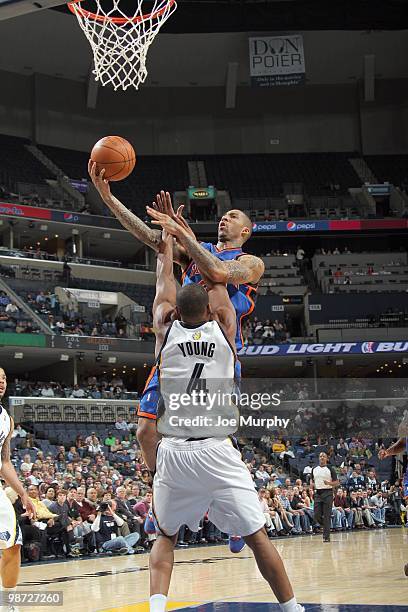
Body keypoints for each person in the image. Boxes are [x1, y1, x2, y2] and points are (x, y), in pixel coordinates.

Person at [137, 230, 304, 612]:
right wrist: (192, 242)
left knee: (164, 537)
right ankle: (292, 609)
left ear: (174, 313)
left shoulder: (166, 331)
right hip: (215, 449)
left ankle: (157, 608)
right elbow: (218, 278)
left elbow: (164, 279)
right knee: (258, 538)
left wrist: (167, 242)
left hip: (174, 451)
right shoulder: (225, 327)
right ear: (212, 311)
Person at [0, 367, 36, 604]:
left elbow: (4, 461)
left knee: (13, 543)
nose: (1, 382)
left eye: (3, 378)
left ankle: (8, 604)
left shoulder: (6, 419)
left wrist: (23, 494)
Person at [311, 452, 339, 542]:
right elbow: (312, 479)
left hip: (328, 492)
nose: (322, 457)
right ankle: (326, 526)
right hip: (318, 493)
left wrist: (329, 483)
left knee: (327, 515)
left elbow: (337, 482)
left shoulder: (330, 469)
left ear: (327, 458)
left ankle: (326, 536)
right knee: (316, 514)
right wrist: (311, 484)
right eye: (320, 456)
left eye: (323, 456)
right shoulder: (314, 469)